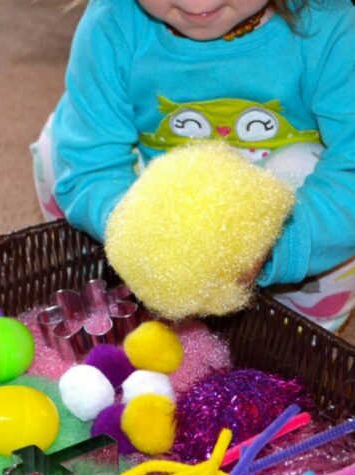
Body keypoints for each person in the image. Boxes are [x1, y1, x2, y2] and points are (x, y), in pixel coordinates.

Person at [31, 0, 355, 332]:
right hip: (159, 198)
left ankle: (289, 327)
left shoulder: (331, 24)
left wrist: (278, 245)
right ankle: (110, 289)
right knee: (57, 145)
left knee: (312, 178)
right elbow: (90, 162)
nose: (197, 4)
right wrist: (134, 234)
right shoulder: (112, 21)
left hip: (284, 207)